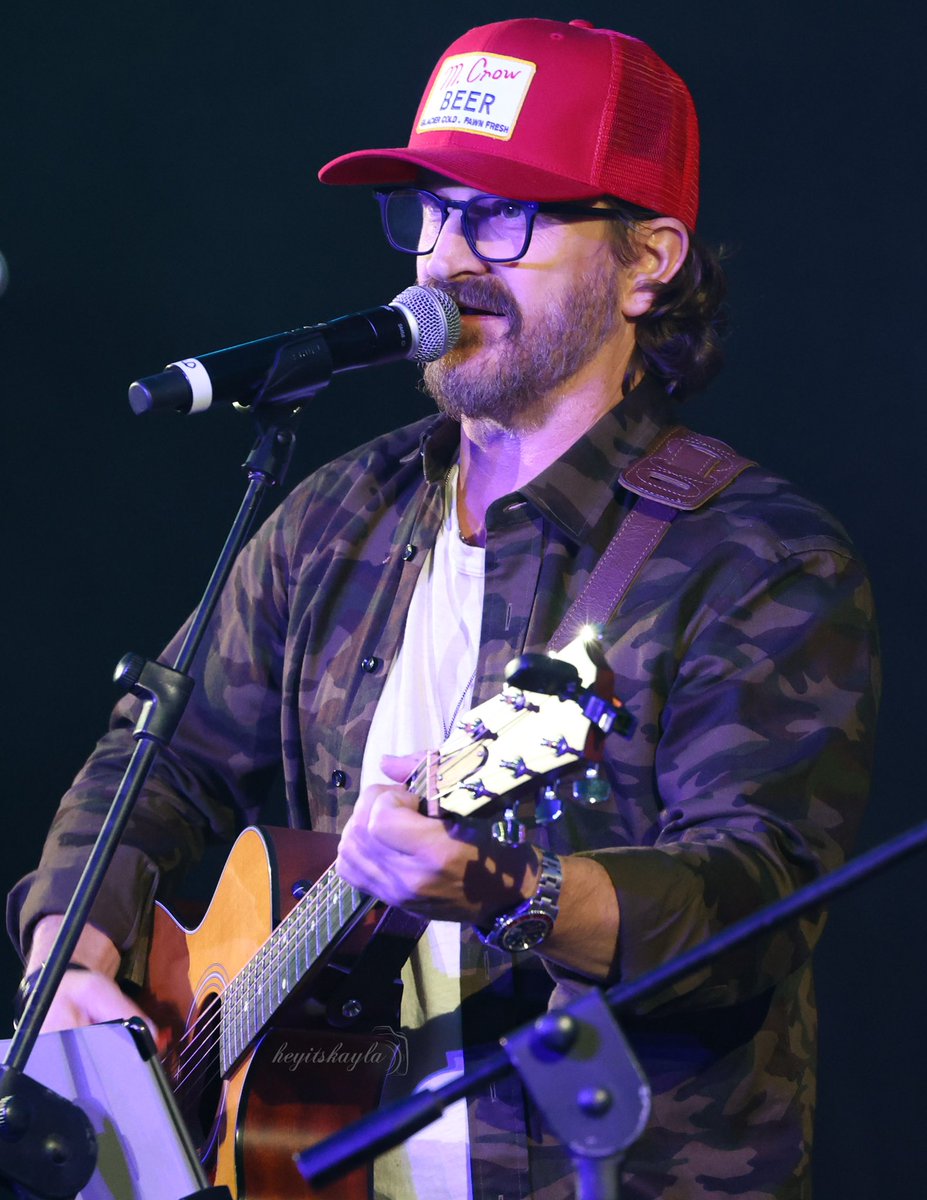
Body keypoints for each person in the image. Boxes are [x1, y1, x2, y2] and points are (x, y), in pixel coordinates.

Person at [8, 17, 878, 1200]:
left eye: (504, 216)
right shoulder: (338, 513)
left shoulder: (755, 556)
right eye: (430, 209)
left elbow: (759, 895)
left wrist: (507, 892)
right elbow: (156, 756)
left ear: (648, 260)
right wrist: (74, 948)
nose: (446, 258)